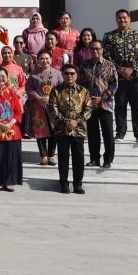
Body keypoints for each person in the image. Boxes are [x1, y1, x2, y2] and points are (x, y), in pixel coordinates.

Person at [104, 9, 138, 142]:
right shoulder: (109, 36)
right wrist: (120, 70)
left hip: (136, 77)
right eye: (119, 18)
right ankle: (120, 132)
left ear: (129, 19)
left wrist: (132, 69)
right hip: (118, 77)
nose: (122, 20)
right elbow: (106, 55)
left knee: (137, 106)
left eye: (124, 17)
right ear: (116, 19)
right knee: (120, 105)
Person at [49, 64, 92, 194]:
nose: (69, 76)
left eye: (72, 73)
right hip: (62, 129)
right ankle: (64, 183)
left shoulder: (83, 91)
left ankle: (78, 184)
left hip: (78, 130)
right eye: (66, 73)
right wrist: (65, 121)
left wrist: (76, 121)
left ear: (76, 75)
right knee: (63, 158)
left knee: (78, 158)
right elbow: (52, 108)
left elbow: (88, 109)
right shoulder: (56, 90)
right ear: (62, 75)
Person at [78, 39, 118, 168]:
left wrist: (103, 98)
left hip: (105, 105)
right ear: (89, 50)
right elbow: (80, 84)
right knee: (93, 134)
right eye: (92, 48)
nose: (95, 51)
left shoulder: (109, 65)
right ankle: (94, 158)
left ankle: (108, 159)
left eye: (97, 48)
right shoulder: (84, 65)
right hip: (90, 106)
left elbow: (114, 84)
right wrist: (86, 100)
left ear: (102, 50)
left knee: (108, 133)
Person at [26, 51, 63, 166]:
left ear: (51, 60)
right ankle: (43, 155)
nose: (44, 61)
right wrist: (38, 97)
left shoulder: (57, 73)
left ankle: (51, 155)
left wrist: (51, 97)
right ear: (38, 60)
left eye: (47, 58)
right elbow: (28, 88)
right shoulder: (33, 74)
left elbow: (62, 88)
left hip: (53, 106)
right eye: (41, 58)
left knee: (53, 131)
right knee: (40, 131)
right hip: (38, 106)